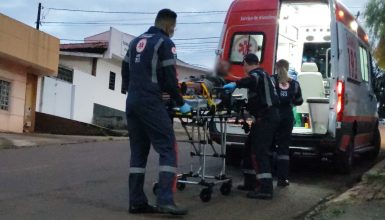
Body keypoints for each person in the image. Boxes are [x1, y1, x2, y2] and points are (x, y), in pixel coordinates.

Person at [121, 9, 191, 215]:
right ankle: (165, 200)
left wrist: (129, 88)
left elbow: (125, 68)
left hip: (132, 101)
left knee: (138, 153)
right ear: (169, 26)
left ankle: (136, 202)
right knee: (168, 149)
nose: (174, 31)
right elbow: (170, 78)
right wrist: (181, 102)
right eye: (174, 28)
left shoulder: (135, 42)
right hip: (151, 102)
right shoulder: (165, 43)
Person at [223, 54, 280, 199]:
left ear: (246, 63)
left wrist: (236, 84)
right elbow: (258, 97)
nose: (243, 68)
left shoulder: (258, 74)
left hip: (266, 118)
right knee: (249, 149)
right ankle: (250, 182)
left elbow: (252, 80)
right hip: (266, 117)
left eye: (243, 65)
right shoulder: (265, 76)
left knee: (260, 152)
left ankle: (265, 189)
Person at [271, 59, 303, 187]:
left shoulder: (271, 80)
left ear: (276, 67)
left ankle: (267, 177)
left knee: (269, 145)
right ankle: (282, 179)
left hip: (273, 116)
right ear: (288, 67)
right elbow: (299, 101)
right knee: (283, 148)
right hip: (287, 117)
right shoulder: (294, 84)